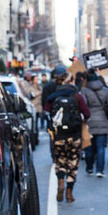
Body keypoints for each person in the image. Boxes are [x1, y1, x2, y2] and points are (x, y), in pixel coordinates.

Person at [44, 71, 91, 202]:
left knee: (60, 161)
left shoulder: (53, 97)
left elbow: (46, 113)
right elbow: (87, 113)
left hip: (59, 135)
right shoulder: (77, 96)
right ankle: (69, 193)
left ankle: (60, 182)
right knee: (73, 162)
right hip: (74, 135)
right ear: (70, 82)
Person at [81, 69, 108, 177]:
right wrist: (104, 111)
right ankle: (100, 170)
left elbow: (84, 106)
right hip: (103, 120)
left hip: (89, 122)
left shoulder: (84, 91)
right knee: (101, 147)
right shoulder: (105, 90)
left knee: (89, 147)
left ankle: (90, 168)